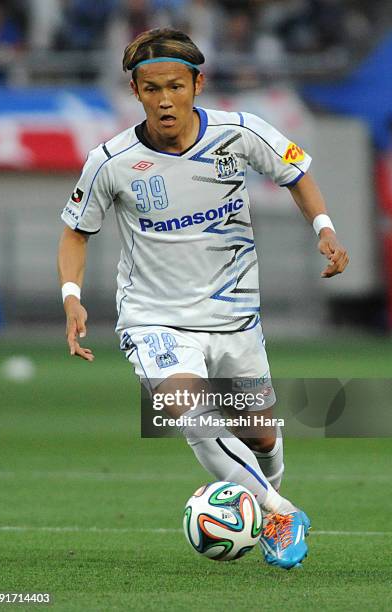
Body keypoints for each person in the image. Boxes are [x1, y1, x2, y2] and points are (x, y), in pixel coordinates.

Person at [57, 27, 349, 570]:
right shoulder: (110, 161)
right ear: (135, 92)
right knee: (190, 412)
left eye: (175, 86)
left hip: (234, 317)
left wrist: (324, 229)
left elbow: (297, 172)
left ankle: (262, 508)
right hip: (154, 319)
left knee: (260, 435)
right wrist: (72, 296)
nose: (164, 100)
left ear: (198, 83)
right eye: (150, 90)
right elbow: (77, 231)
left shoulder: (240, 133)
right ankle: (279, 511)